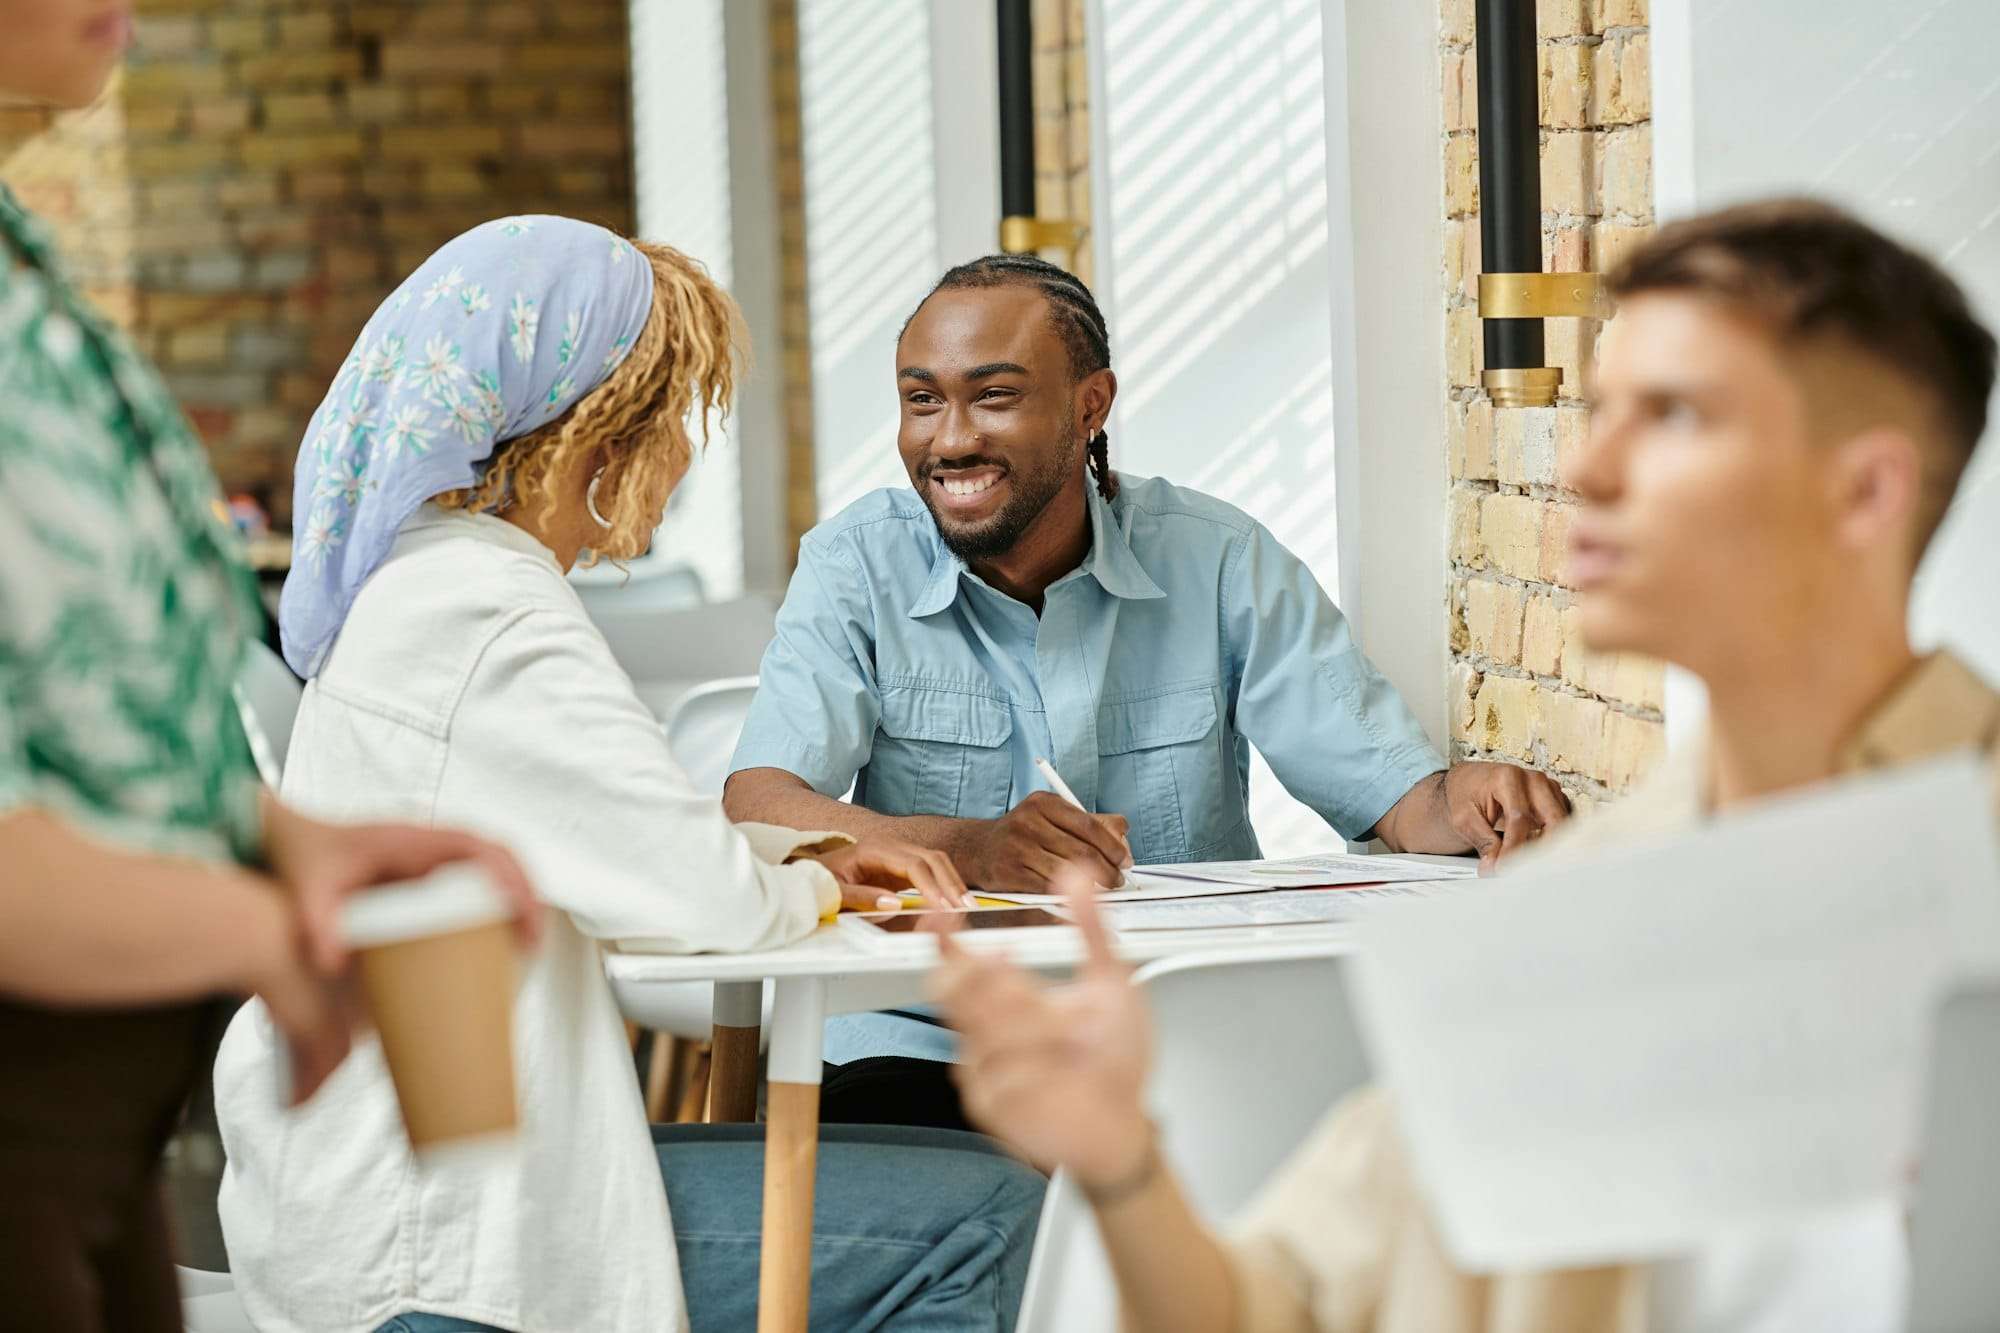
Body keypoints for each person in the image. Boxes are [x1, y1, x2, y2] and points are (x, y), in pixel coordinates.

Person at [932, 199, 2000, 1333]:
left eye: (1674, 415)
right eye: (1601, 410)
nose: (1586, 466)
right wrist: (1121, 1162)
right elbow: (1268, 1308)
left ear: (1865, 491)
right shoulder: (1564, 918)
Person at [213, 216, 1042, 1333]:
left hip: (399, 1196)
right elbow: (706, 900)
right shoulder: (489, 615)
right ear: (591, 430)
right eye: (674, 419)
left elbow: (616, 846)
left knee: (950, 1185)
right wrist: (817, 882)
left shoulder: (424, 583)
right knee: (987, 1214)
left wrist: (810, 858)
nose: (686, 458)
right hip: (435, 1258)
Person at [721, 252, 1567, 1098]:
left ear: (1090, 404)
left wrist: (1465, 799)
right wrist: (971, 848)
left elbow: (1400, 801)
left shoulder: (1220, 560)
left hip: (1184, 1046)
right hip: (929, 1043)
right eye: (922, 400)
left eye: (995, 395)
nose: (950, 439)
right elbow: (758, 801)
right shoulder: (854, 566)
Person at [0, 6, 537, 1328]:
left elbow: (66, 690)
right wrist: (260, 931)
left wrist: (280, 839)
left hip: (95, 1129)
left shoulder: (21, 266)